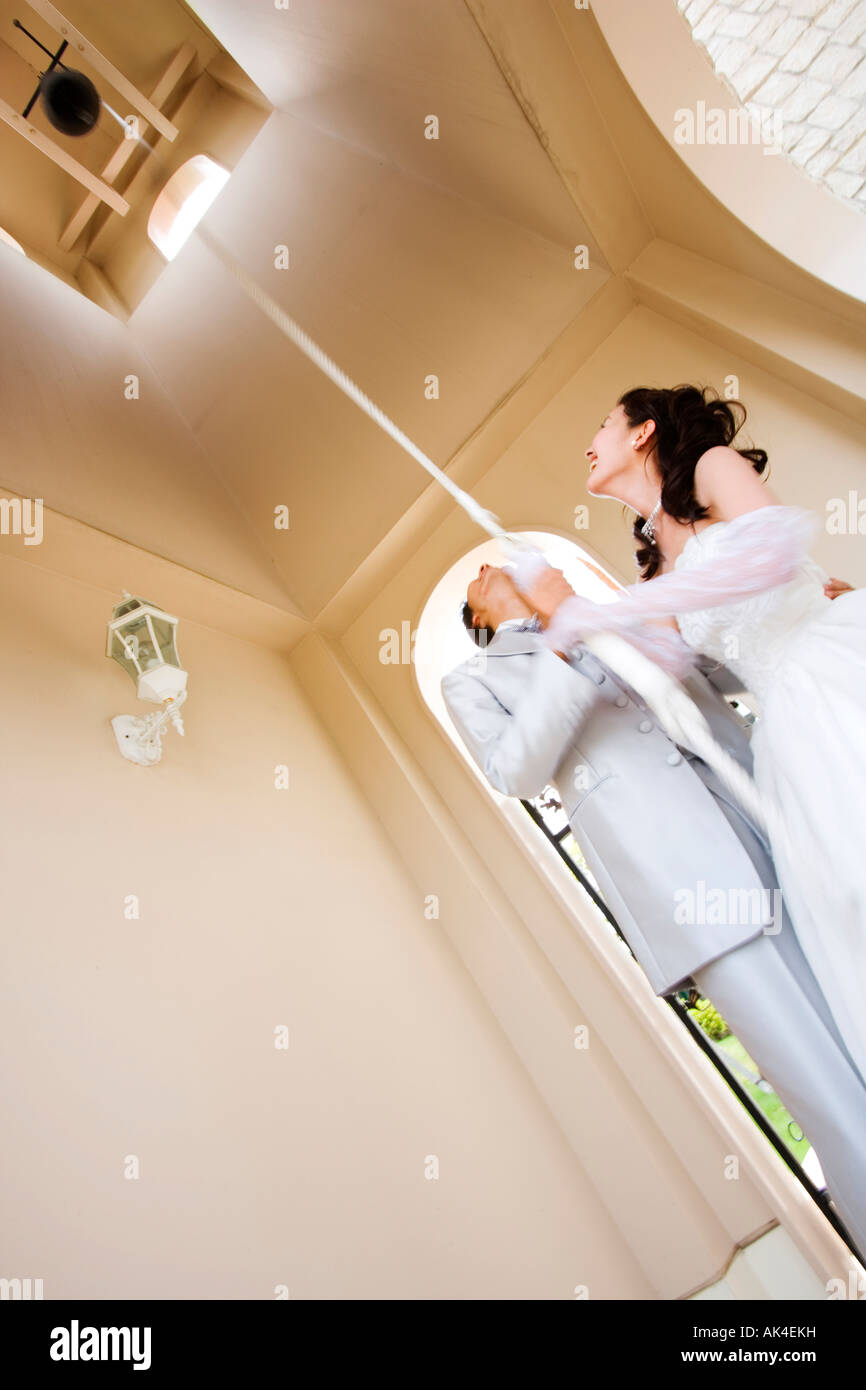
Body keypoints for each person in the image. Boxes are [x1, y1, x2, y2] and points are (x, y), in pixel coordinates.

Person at [441, 561, 866, 1257]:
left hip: (776, 825)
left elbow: (722, 670)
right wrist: (556, 642)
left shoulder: (604, 612)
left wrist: (810, 624)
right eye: (477, 578)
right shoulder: (474, 679)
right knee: (832, 1097)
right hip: (690, 887)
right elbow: (514, 770)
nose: (489, 564)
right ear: (480, 618)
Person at [512, 384, 866, 1087]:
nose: (590, 443)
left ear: (643, 432)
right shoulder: (661, 561)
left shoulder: (712, 466)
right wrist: (565, 617)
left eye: (602, 424)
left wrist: (612, 611)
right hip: (789, 726)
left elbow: (770, 551)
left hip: (835, 670)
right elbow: (665, 671)